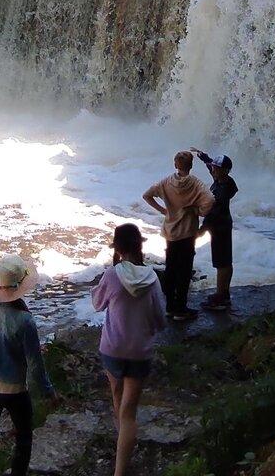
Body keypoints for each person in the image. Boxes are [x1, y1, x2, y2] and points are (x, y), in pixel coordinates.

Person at [0, 254, 57, 476]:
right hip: (15, 389)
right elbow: (34, 364)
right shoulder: (25, 321)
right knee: (23, 439)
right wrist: (48, 392)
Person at [89, 224, 166, 476]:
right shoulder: (152, 277)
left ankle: (121, 442)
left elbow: (98, 303)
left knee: (117, 398)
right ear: (139, 246)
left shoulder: (112, 275)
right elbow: (160, 318)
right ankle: (120, 470)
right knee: (130, 411)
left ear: (118, 248)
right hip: (140, 351)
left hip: (112, 348)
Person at [142, 151, 212, 320]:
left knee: (171, 269)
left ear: (175, 164)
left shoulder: (166, 182)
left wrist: (163, 211)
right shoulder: (195, 183)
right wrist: (198, 211)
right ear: (191, 165)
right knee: (185, 270)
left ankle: (170, 306)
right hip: (187, 233)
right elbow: (210, 200)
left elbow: (147, 195)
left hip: (170, 232)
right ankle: (181, 308)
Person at [189, 148, 239, 311]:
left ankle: (222, 296)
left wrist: (202, 230)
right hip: (218, 226)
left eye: (217, 169)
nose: (213, 170)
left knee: (223, 262)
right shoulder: (221, 179)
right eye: (214, 168)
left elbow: (214, 212)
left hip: (221, 226)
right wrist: (203, 157)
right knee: (220, 261)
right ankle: (221, 293)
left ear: (225, 171)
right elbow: (211, 166)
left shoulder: (224, 189)